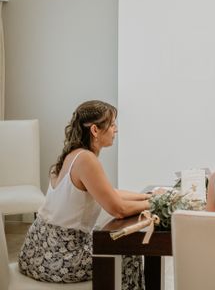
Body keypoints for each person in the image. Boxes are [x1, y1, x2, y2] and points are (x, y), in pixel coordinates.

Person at [18, 100, 151, 287]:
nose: (116, 130)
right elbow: (118, 209)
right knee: (128, 250)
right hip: (60, 256)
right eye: (112, 125)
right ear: (95, 130)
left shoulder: (73, 155)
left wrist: (147, 197)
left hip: (36, 250)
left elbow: (108, 193)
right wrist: (156, 205)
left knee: (118, 242)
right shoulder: (86, 159)